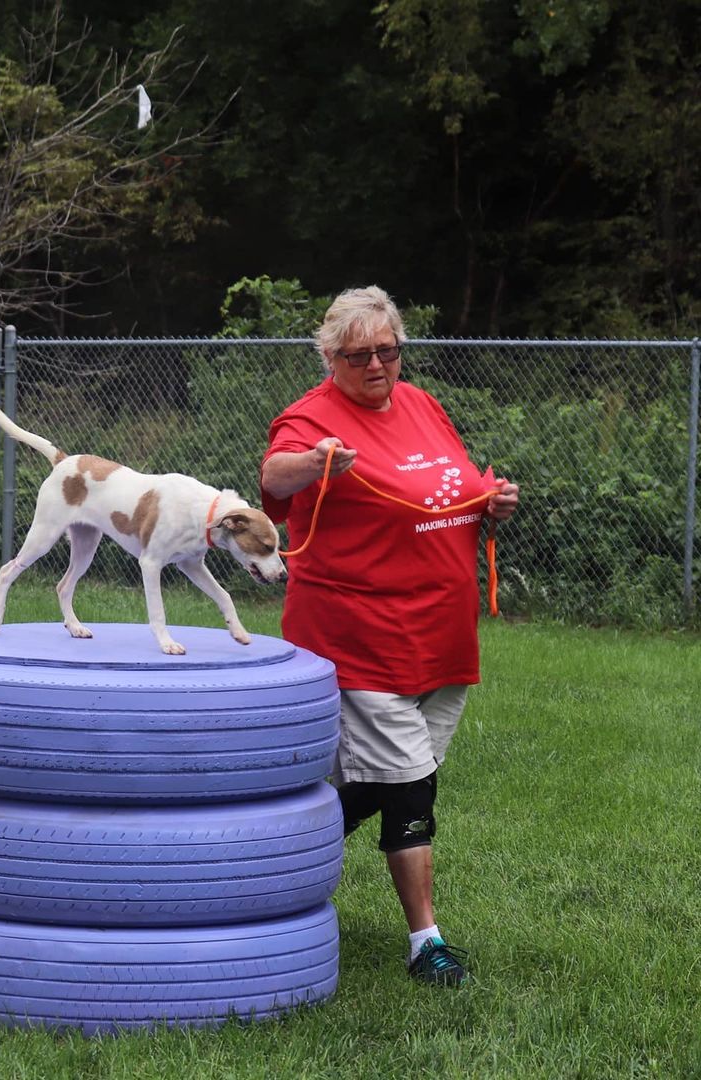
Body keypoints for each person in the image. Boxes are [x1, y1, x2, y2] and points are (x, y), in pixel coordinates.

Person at [259, 285, 519, 987]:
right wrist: (317, 462)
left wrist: (489, 501)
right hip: (360, 636)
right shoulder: (312, 417)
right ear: (330, 357)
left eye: (388, 350)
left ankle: (261, 863)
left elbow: (453, 486)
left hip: (441, 637)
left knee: (387, 781)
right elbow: (273, 475)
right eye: (359, 355)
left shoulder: (424, 405)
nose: (377, 365)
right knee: (409, 787)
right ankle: (425, 941)